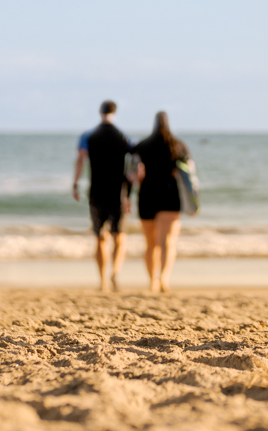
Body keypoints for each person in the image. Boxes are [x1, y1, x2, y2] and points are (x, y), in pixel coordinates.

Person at [71, 100, 134, 292]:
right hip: (118, 192)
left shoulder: (88, 136)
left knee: (99, 236)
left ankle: (102, 281)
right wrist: (130, 193)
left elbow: (81, 159)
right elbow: (134, 164)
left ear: (100, 113)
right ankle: (115, 272)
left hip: (96, 191)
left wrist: (75, 183)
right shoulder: (124, 136)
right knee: (119, 236)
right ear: (114, 112)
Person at [129, 110, 189, 295]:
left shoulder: (142, 146)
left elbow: (133, 173)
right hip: (170, 196)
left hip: (147, 195)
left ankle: (152, 281)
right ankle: (164, 278)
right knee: (167, 242)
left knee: (150, 244)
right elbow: (189, 172)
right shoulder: (178, 145)